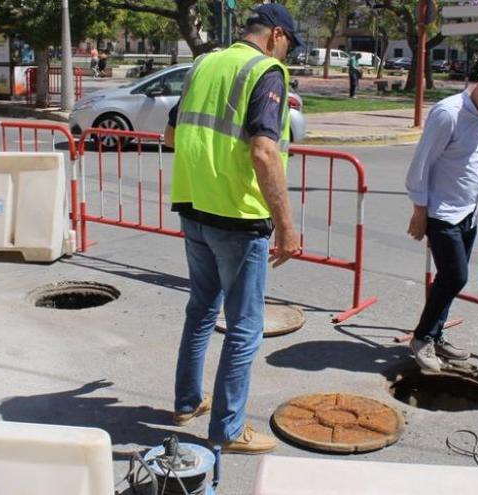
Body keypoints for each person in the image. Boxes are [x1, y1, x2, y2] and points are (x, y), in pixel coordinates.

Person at [164, 3, 302, 455]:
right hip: (238, 218)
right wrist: (286, 225)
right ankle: (227, 428)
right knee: (245, 327)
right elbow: (264, 153)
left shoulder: (204, 64)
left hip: (194, 207)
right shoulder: (266, 71)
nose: (288, 56)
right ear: (277, 35)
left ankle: (187, 402)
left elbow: (171, 136)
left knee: (201, 310)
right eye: (289, 46)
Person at [404, 65, 478, 372]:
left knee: (449, 281)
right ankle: (422, 338)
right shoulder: (448, 114)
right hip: (442, 212)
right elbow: (421, 164)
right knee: (455, 276)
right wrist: (419, 211)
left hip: (468, 210)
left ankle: (435, 336)